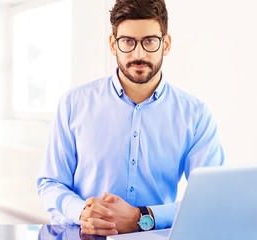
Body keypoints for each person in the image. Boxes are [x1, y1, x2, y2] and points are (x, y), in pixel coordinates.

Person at [37, 0, 224, 236]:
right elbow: (50, 182)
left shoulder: (195, 115)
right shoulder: (74, 104)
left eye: (149, 41)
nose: (138, 54)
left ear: (165, 44)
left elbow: (209, 200)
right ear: (113, 45)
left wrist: (142, 217)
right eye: (127, 41)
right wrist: (82, 212)